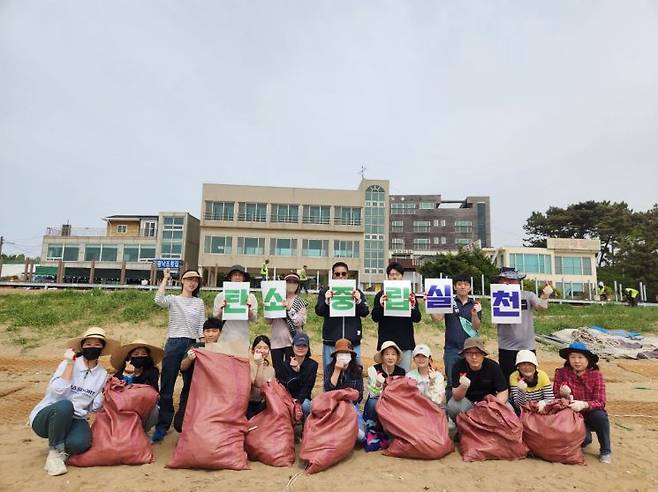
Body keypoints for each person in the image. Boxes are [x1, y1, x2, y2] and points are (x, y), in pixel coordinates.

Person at [29, 327, 118, 476]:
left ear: (102, 348)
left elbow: (93, 407)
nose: (92, 347)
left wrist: (106, 391)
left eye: (97, 344)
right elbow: (56, 392)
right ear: (81, 346)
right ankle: (54, 452)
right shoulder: (67, 364)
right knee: (65, 405)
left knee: (80, 443)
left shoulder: (102, 374)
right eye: (88, 344)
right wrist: (70, 364)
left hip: (76, 419)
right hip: (48, 416)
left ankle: (62, 448)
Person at [152, 268, 206, 443]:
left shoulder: (199, 302)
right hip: (174, 343)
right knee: (167, 385)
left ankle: (184, 422)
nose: (192, 282)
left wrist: (203, 346)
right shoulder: (174, 300)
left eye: (195, 280)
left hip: (192, 344)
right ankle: (162, 426)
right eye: (189, 279)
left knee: (190, 385)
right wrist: (166, 278)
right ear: (182, 281)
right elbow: (158, 299)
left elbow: (201, 326)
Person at [554, 342, 612, 464]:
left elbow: (600, 402)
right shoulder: (561, 373)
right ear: (568, 359)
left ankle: (606, 450)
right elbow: (556, 397)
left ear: (588, 359)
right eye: (573, 357)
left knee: (600, 416)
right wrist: (564, 396)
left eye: (580, 357)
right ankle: (584, 438)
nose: (576, 361)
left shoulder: (596, 376)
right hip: (572, 414)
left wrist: (584, 404)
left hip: (591, 412)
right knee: (585, 440)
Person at [429, 273, 481, 400]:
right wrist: (430, 305)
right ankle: (450, 411)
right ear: (454, 287)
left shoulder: (475, 304)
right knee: (452, 382)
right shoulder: (448, 302)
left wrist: (475, 314)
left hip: (470, 349)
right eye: (459, 284)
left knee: (471, 381)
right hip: (451, 349)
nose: (463, 286)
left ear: (470, 287)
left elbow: (476, 327)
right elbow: (437, 319)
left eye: (466, 284)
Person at [495, 267, 552, 381]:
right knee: (507, 379)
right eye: (505, 280)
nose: (509, 283)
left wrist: (545, 296)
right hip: (506, 347)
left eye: (513, 280)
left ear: (518, 282)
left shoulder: (528, 295)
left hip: (527, 346)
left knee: (529, 379)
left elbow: (541, 307)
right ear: (499, 282)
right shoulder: (497, 296)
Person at [315, 261, 369, 373]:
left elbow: (365, 312)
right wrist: (326, 302)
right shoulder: (325, 291)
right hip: (331, 342)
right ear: (333, 275)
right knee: (330, 376)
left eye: (343, 274)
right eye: (337, 274)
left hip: (353, 343)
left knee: (354, 375)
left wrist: (358, 301)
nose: (340, 277)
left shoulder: (357, 291)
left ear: (347, 275)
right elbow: (319, 311)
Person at [173, 317, 223, 432]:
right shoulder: (196, 347)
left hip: (215, 396)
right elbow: (182, 367)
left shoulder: (225, 350)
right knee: (179, 424)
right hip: (192, 393)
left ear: (221, 332)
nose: (210, 334)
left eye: (214, 331)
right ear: (203, 333)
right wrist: (190, 359)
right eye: (207, 331)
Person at [371, 262, 421, 371]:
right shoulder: (381, 295)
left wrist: (412, 307)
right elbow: (375, 317)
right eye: (391, 274)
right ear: (388, 276)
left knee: (403, 375)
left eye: (397, 274)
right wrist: (381, 305)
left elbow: (417, 318)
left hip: (405, 341)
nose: (394, 277)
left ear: (402, 276)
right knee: (386, 376)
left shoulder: (409, 294)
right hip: (386, 341)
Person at [446, 337, 508, 422]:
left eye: (477, 353)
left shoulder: (493, 366)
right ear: (464, 355)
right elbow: (456, 397)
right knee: (453, 405)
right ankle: (462, 428)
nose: (474, 357)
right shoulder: (458, 367)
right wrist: (463, 386)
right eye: (469, 353)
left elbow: (503, 391)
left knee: (508, 408)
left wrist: (494, 406)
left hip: (489, 403)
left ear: (483, 354)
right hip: (468, 403)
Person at [111, 339, 163, 431]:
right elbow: (114, 391)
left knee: (155, 410)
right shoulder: (121, 373)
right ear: (129, 357)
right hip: (125, 408)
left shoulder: (152, 372)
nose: (140, 356)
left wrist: (135, 378)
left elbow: (154, 393)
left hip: (144, 408)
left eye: (143, 354)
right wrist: (126, 374)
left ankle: (142, 430)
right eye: (135, 354)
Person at [324, 338, 366, 442]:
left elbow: (359, 394)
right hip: (334, 407)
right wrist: (337, 370)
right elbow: (328, 390)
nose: (343, 356)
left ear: (351, 356)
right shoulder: (330, 368)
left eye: (346, 353)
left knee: (361, 437)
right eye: (340, 353)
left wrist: (347, 403)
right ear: (335, 356)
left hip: (352, 406)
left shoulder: (357, 370)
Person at [267, 272, 308, 377]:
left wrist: (289, 309)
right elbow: (268, 321)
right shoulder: (275, 298)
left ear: (298, 285)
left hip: (293, 342)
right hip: (276, 341)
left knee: (292, 372)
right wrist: (268, 308)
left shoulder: (300, 302)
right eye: (288, 281)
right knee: (278, 372)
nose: (291, 284)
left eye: (295, 282)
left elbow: (299, 322)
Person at [212, 265, 258, 345]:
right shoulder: (221, 296)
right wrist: (222, 310)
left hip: (243, 339)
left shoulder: (250, 296)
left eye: (240, 275)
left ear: (244, 278)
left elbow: (254, 319)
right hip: (224, 339)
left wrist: (248, 309)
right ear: (230, 278)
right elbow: (215, 318)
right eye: (235, 275)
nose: (237, 277)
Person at [277, 332, 318, 418]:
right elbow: (285, 386)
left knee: (306, 406)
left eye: (304, 346)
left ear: (308, 348)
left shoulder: (313, 365)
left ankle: (307, 426)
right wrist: (294, 371)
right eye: (298, 345)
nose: (301, 348)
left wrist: (298, 401)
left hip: (303, 399)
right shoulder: (285, 364)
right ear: (293, 347)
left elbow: (307, 387)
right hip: (286, 398)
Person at [364, 341, 406, 421]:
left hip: (394, 400)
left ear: (397, 357)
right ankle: (370, 425)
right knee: (372, 403)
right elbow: (373, 394)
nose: (390, 357)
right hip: (377, 399)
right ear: (382, 356)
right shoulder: (373, 370)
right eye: (387, 354)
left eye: (393, 354)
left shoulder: (401, 372)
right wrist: (378, 384)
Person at [248, 335, 276, 419]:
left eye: (265, 348)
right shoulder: (248, 365)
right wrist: (260, 364)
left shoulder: (271, 369)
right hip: (247, 404)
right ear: (253, 350)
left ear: (269, 351)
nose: (262, 351)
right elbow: (257, 384)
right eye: (259, 347)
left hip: (262, 404)